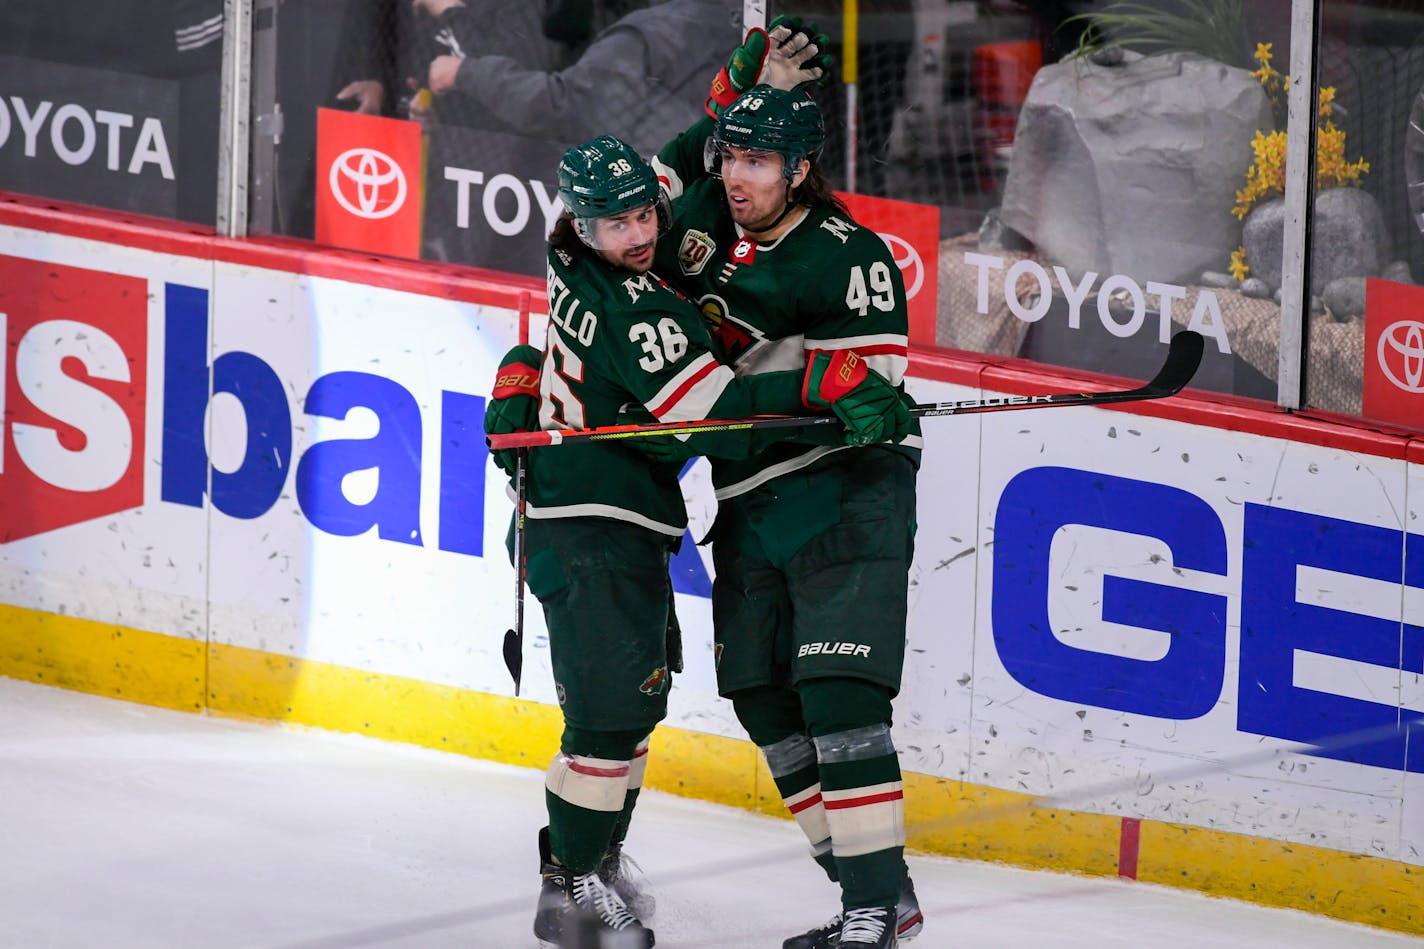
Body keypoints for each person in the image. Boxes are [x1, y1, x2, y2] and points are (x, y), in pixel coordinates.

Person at [482, 133, 912, 948]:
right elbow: (718, 416)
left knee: (631, 709)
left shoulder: (567, 252)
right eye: (619, 224)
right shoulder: (636, 307)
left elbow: (681, 173)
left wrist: (718, 111)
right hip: (592, 526)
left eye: (647, 212)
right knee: (611, 717)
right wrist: (829, 377)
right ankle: (571, 883)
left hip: (607, 523)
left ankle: (591, 869)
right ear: (584, 221)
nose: (641, 234)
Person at [650, 65, 925, 948]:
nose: (738, 175)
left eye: (759, 161)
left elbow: (876, 388)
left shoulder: (849, 256)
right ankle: (878, 892)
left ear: (799, 169)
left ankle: (872, 912)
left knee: (838, 693)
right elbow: (618, 210)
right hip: (747, 495)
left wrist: (858, 386)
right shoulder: (697, 219)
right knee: (763, 696)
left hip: (842, 488)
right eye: (731, 154)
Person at [414, 0, 741, 158]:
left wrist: (463, 66)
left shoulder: (655, 32)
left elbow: (563, 106)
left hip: (645, 188)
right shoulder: (739, 21)